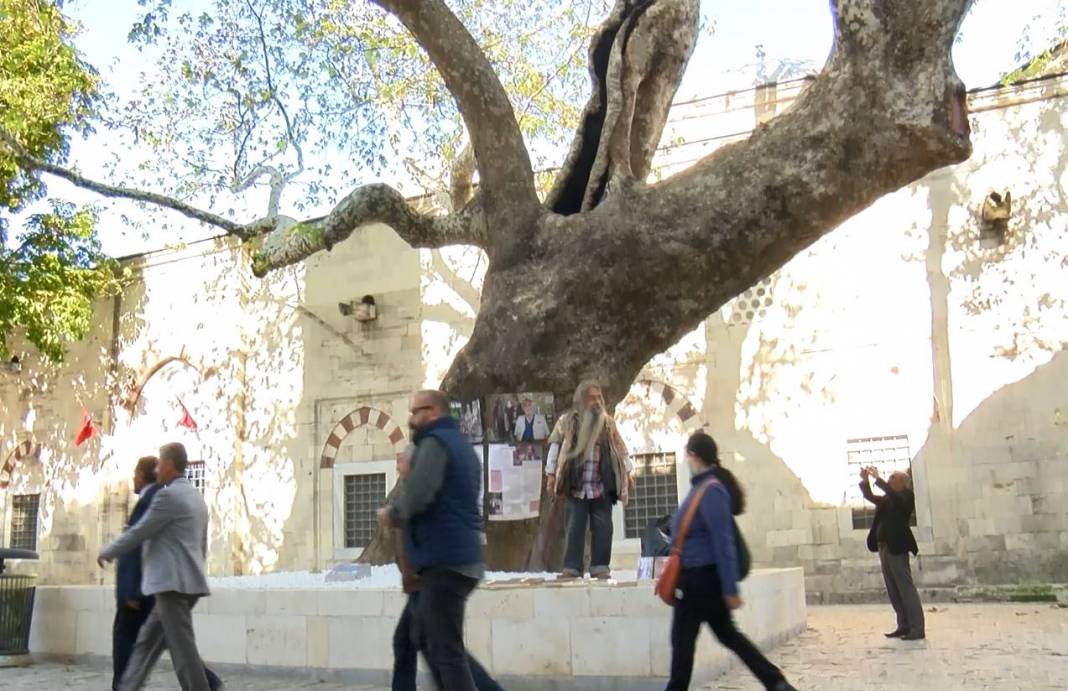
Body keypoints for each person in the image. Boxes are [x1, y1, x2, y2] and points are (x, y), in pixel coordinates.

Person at [665, 432, 797, 691]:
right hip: (697, 580)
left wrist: (730, 589)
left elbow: (723, 541)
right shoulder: (702, 488)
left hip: (701, 581)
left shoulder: (711, 491)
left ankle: (776, 682)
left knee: (683, 645)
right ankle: (776, 683)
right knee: (727, 636)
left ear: (692, 455)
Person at [379, 390, 485, 691]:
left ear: (435, 411)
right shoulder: (459, 444)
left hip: (444, 561)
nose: (411, 419)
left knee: (445, 651)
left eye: (417, 412)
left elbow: (420, 493)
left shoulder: (435, 444)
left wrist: (393, 512)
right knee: (423, 638)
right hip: (454, 559)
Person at [98, 442, 218, 691]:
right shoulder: (196, 497)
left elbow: (140, 532)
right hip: (185, 584)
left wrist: (109, 551)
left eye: (161, 463)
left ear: (170, 465)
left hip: (171, 585)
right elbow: (201, 545)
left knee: (183, 652)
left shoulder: (168, 496)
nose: (158, 469)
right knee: (145, 644)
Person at [389, 445, 503, 691]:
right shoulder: (412, 492)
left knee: (440, 647)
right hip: (422, 583)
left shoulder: (424, 496)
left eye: (402, 460)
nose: (397, 464)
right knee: (413, 642)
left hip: (429, 582)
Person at [544, 381, 633, 579]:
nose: (596, 402)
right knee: (574, 528)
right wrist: (550, 474)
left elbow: (621, 449)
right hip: (576, 486)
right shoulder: (566, 422)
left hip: (602, 486)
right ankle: (572, 568)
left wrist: (628, 473)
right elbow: (555, 448)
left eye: (598, 398)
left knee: (603, 528)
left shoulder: (608, 423)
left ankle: (600, 567)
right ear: (581, 400)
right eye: (591, 398)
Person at [111, 456, 162, 691]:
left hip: (138, 595)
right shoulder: (155, 499)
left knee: (124, 648)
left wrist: (130, 590)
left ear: (142, 475)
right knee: (177, 644)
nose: (133, 477)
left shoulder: (149, 500)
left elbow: (136, 546)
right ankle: (210, 684)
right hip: (152, 592)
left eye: (136, 472)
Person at [860, 465, 925, 640]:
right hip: (883, 547)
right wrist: (866, 481)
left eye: (893, 477)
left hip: (897, 546)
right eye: (888, 478)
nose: (889, 480)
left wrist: (879, 479)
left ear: (903, 484)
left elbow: (897, 501)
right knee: (893, 589)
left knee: (905, 587)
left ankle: (917, 627)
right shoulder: (887, 499)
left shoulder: (905, 497)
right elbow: (870, 496)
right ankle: (903, 625)